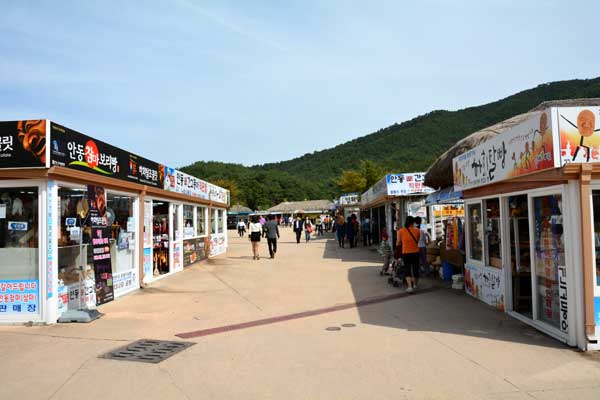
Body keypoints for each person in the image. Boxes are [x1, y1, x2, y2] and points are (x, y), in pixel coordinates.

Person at [396, 216, 421, 293]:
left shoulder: (401, 231)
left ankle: (410, 287)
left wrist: (397, 252)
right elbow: (417, 240)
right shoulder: (417, 231)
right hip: (416, 252)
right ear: (413, 222)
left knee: (407, 269)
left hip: (406, 253)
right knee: (415, 269)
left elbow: (398, 242)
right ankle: (415, 285)